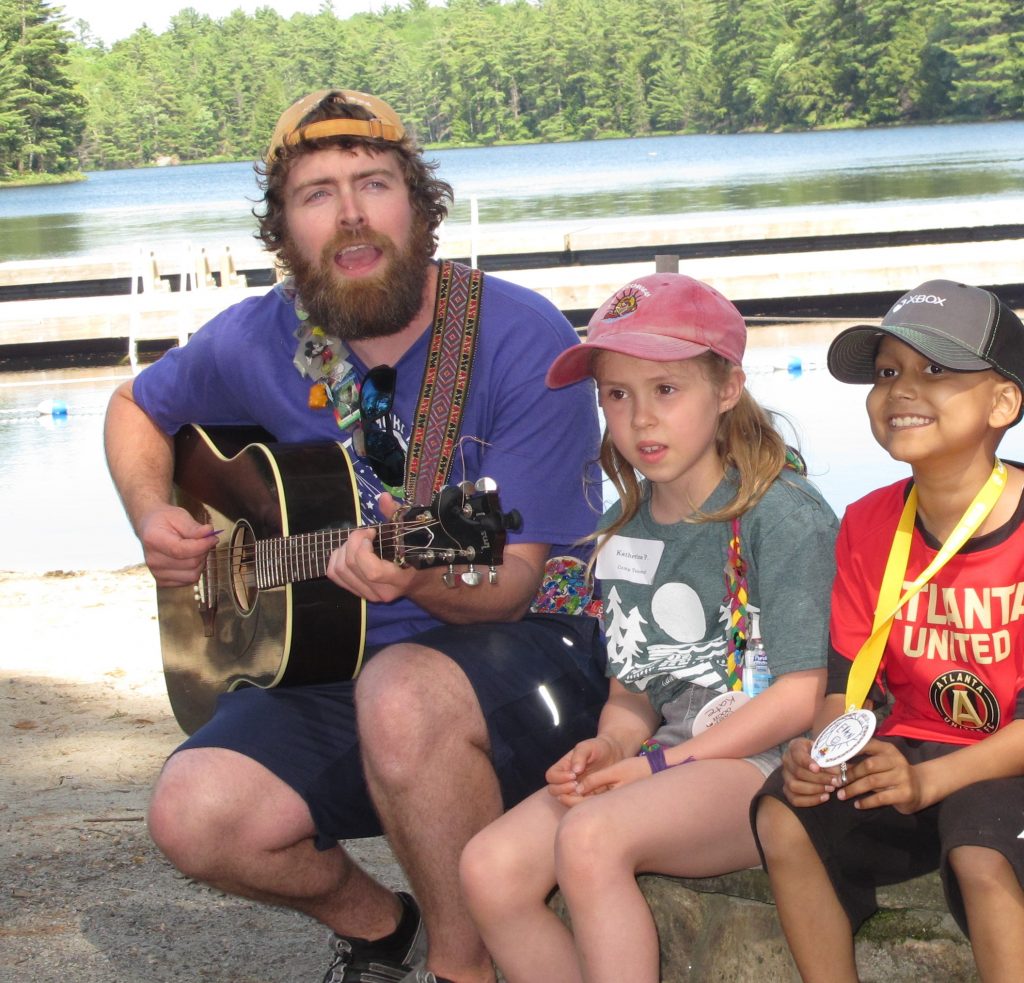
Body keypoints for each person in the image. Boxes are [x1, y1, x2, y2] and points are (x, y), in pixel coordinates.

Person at [103, 88, 609, 983]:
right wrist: (152, 512)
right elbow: (135, 407)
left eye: (373, 183)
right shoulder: (262, 337)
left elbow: (513, 583)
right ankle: (384, 928)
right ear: (283, 231)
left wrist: (416, 577)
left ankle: (464, 967)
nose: (350, 215)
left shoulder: (520, 338)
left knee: (401, 691)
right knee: (194, 812)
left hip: (534, 653)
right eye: (317, 194)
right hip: (336, 660)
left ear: (418, 206)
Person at [459, 273, 839, 983]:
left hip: (775, 763)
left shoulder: (783, 515)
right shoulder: (621, 529)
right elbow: (634, 691)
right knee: (489, 867)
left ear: (727, 388)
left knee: (590, 837)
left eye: (666, 389)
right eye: (616, 395)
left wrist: (658, 766)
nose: (640, 420)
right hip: (671, 758)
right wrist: (609, 746)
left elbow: (800, 697)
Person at [753, 279, 1024, 983]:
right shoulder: (869, 521)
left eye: (935, 369)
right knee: (785, 813)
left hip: (1006, 756)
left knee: (982, 850)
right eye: (886, 372)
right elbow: (846, 686)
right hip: (915, 750)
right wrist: (822, 752)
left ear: (1003, 403)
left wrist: (929, 781)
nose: (902, 389)